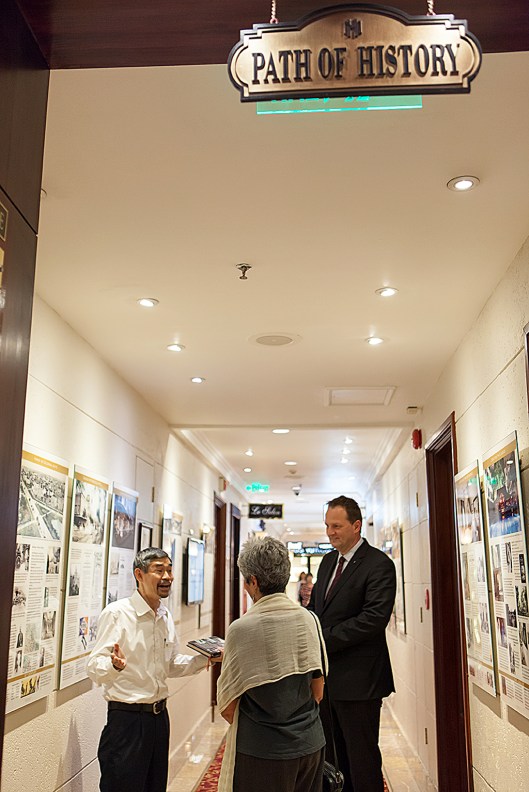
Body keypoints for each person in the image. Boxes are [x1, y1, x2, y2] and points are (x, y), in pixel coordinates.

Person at [87, 547, 215, 792]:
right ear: (139, 574)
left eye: (169, 570)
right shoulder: (117, 614)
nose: (167, 577)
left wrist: (205, 659)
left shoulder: (164, 615)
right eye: (159, 570)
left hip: (159, 720)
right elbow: (93, 667)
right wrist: (114, 666)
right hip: (127, 722)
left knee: (155, 786)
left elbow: (170, 664)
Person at [217, 537, 326, 792]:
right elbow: (318, 691)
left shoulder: (241, 629)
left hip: (262, 751)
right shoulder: (308, 619)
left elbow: (227, 708)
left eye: (245, 580)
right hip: (310, 745)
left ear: (253, 581)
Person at [308, 495, 396, 792]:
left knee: (362, 759)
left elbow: (373, 619)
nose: (330, 532)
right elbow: (316, 609)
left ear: (356, 525)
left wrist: (323, 639)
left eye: (337, 526)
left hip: (360, 682)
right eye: (327, 526)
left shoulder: (378, 564)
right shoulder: (328, 561)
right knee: (332, 759)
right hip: (326, 680)